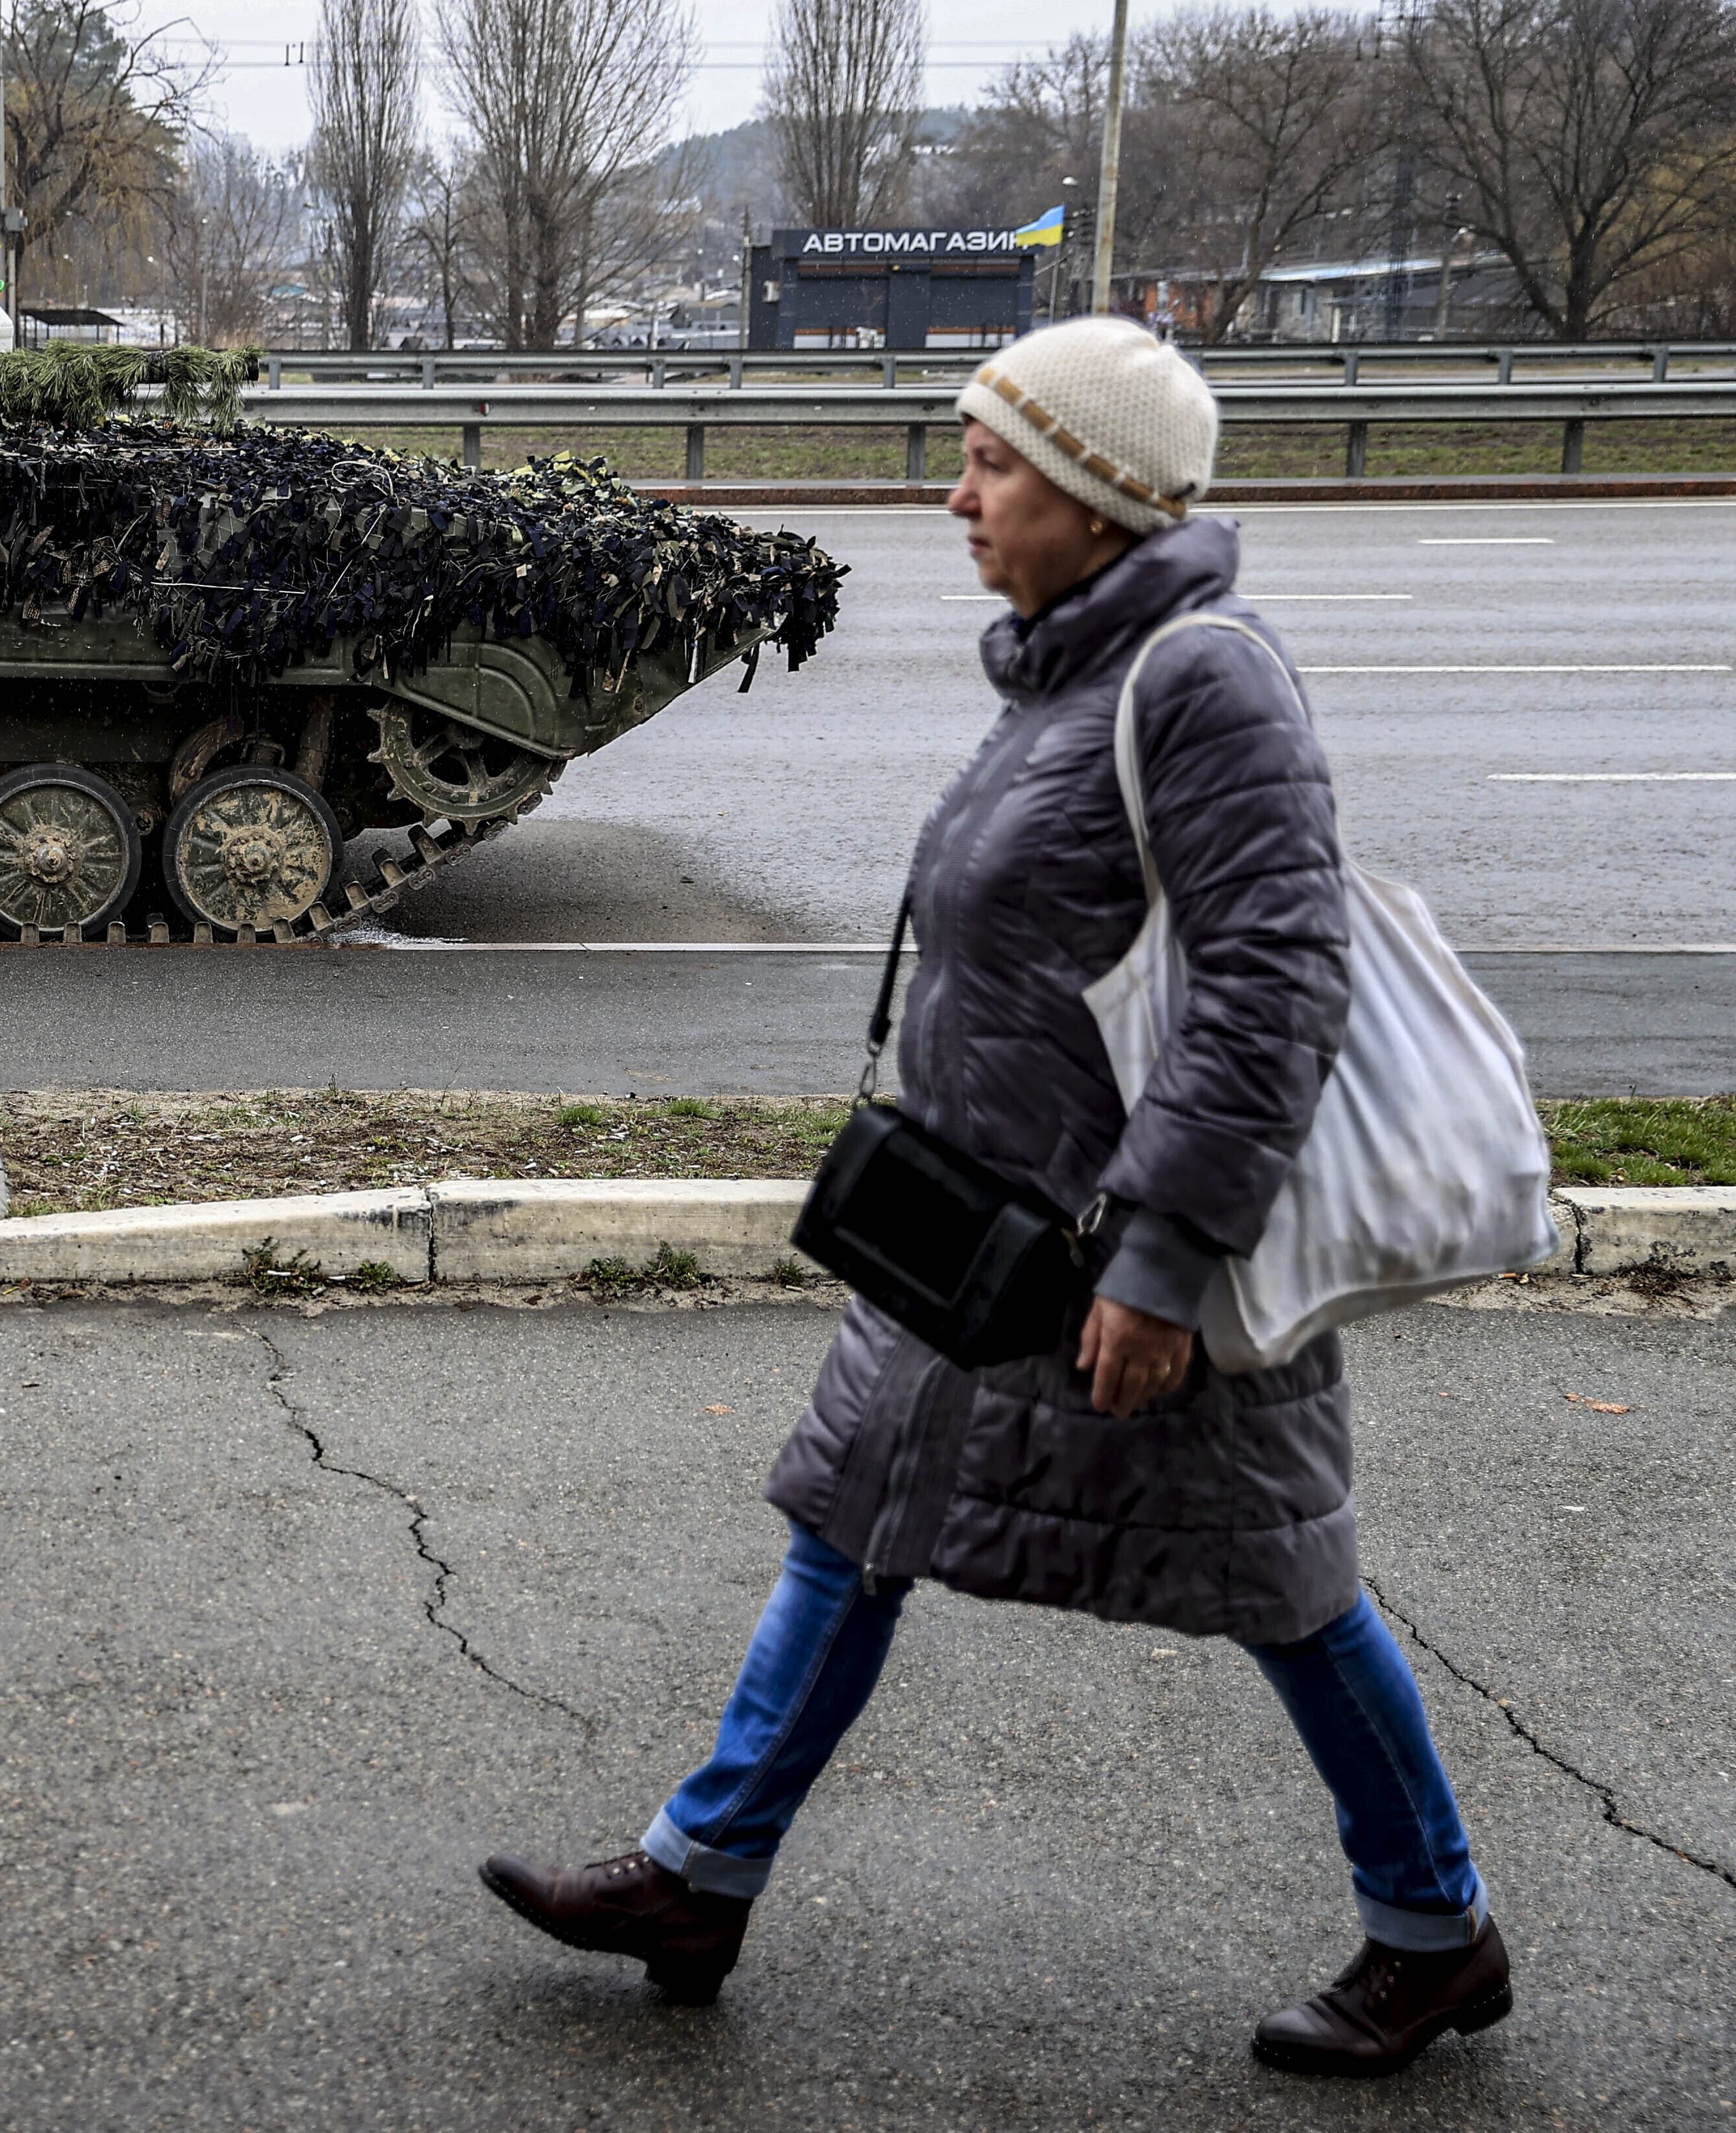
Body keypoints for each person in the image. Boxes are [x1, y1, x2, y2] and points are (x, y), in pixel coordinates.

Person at [478, 317, 1509, 2079]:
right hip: (978, 1239)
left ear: (1100, 496)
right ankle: (697, 1873)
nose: (953, 495)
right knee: (854, 1517)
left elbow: (1273, 979)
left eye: (990, 462)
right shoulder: (1064, 670)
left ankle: (1434, 1936)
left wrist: (1166, 1259)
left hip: (1115, 1251)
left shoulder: (1201, 681)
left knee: (1281, 1582)